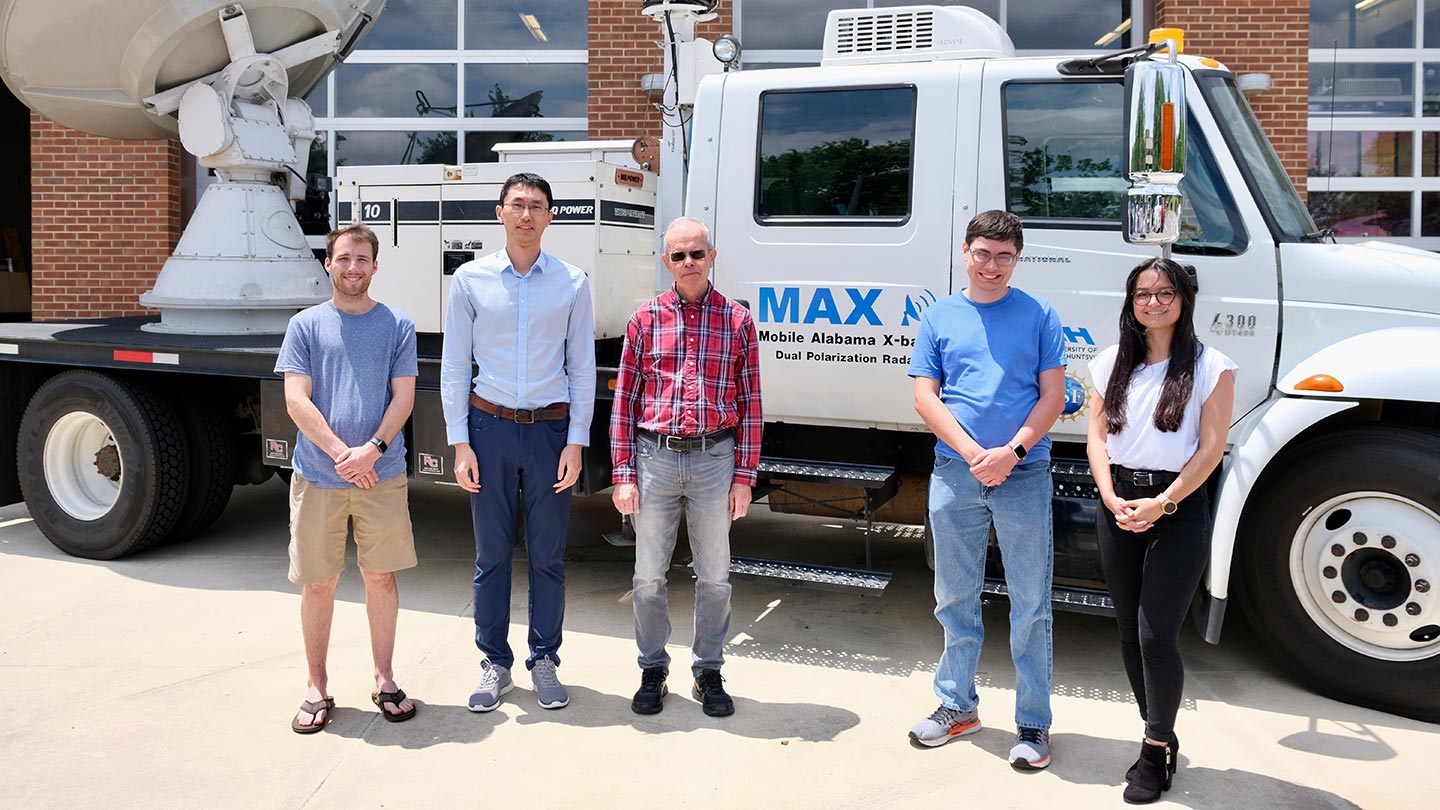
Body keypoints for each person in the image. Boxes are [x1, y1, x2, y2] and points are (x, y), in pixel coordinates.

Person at [906, 210, 1066, 768]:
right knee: (954, 598)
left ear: (1016, 259)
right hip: (956, 472)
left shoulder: (1040, 314)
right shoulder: (941, 316)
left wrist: (1012, 452)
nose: (992, 265)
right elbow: (927, 397)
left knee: (1031, 604)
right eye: (983, 253)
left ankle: (1033, 725)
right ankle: (957, 707)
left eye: (1004, 256)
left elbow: (1053, 396)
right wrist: (975, 454)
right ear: (966, 253)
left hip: (1023, 473)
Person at [441, 172, 596, 713]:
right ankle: (495, 664)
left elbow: (582, 366)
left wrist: (576, 442)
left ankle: (545, 659)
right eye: (517, 205)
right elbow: (456, 365)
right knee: (491, 556)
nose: (526, 214)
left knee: (549, 555)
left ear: (551, 215)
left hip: (551, 432)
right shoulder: (470, 280)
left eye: (537, 205)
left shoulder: (573, 282)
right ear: (500, 213)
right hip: (490, 431)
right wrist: (460, 444)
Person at [1085, 258, 1235, 803]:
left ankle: (1153, 751)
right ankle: (1160, 732)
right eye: (1143, 293)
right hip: (1120, 502)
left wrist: (1164, 503)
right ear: (1131, 302)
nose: (1153, 302)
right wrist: (1110, 496)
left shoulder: (1212, 365)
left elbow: (1211, 449)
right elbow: (1097, 439)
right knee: (1127, 629)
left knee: (1156, 634)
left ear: (1183, 300)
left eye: (1164, 292)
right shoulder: (1108, 364)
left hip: (1178, 507)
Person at [609, 216, 762, 717]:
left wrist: (745, 476)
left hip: (715, 460)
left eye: (697, 253)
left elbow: (752, 404)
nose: (689, 262)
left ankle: (708, 670)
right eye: (679, 255)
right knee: (648, 575)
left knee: (715, 575)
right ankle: (652, 668)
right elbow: (625, 403)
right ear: (666, 262)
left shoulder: (738, 321)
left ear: (712, 256)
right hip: (654, 457)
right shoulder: (644, 319)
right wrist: (623, 474)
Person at [276, 223, 419, 733]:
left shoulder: (397, 325)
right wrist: (343, 455)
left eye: (363, 259)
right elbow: (296, 398)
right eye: (344, 258)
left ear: (375, 267)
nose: (353, 267)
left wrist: (373, 450)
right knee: (320, 583)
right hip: (319, 477)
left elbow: (404, 396)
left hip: (382, 475)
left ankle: (384, 678)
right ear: (328, 264)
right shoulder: (306, 326)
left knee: (381, 577)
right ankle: (316, 685)